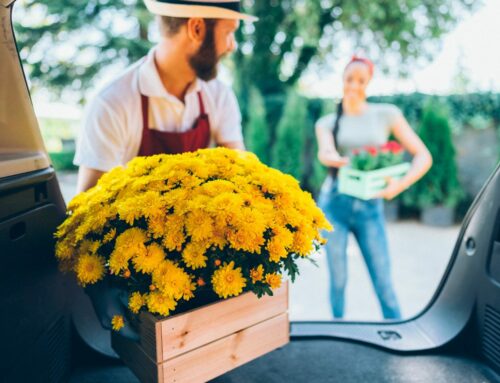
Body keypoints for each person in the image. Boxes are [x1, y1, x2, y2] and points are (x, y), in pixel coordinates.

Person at [73, 0, 257, 339]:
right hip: (142, 268)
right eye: (229, 33)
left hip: (204, 256)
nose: (232, 46)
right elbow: (88, 206)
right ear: (197, 28)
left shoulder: (218, 95)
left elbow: (243, 173)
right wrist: (103, 284)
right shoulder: (113, 103)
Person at [315, 56, 432, 320]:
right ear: (342, 80)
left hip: (371, 206)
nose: (354, 86)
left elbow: (423, 156)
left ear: (369, 83)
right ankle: (338, 333)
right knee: (338, 281)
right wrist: (333, 157)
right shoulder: (327, 122)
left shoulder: (386, 114)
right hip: (334, 205)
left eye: (361, 80)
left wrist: (399, 185)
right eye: (349, 79)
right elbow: (326, 150)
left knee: (383, 280)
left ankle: (397, 331)